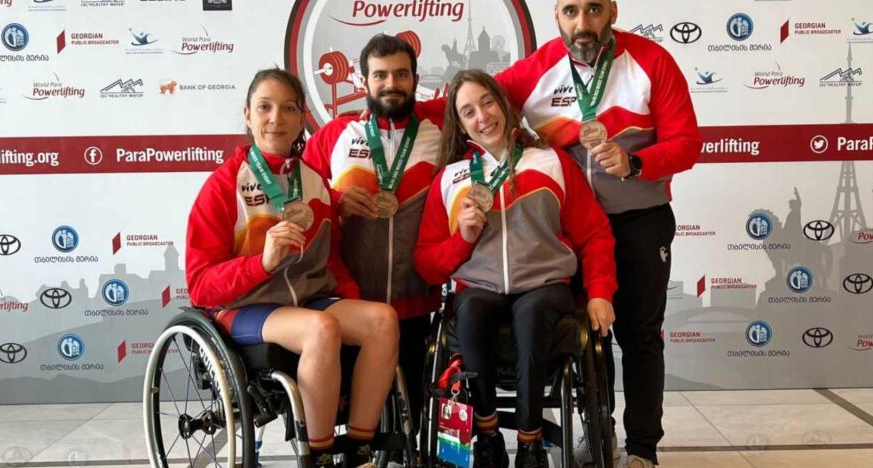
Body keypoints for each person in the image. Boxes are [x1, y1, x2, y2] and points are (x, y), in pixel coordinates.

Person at [495, 0, 701, 466]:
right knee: (589, 338)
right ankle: (598, 428)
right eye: (571, 11)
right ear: (557, 19)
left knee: (640, 335)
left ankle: (643, 449)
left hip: (640, 219)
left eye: (593, 9)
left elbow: (688, 142)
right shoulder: (540, 67)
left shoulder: (651, 60)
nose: (582, 22)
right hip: (573, 233)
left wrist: (636, 163)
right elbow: (475, 104)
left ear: (613, 12)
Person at [185, 68, 400, 468]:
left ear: (302, 118)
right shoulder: (223, 185)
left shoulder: (315, 182)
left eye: (288, 109)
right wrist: (261, 263)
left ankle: (359, 451)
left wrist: (351, 303)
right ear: (247, 115)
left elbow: (330, 262)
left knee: (382, 320)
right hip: (246, 307)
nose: (276, 119)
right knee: (322, 328)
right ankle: (317, 457)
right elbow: (199, 285)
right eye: (264, 108)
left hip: (308, 301)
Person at [414, 70, 617, 468]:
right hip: (480, 287)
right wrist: (464, 238)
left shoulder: (551, 162)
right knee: (469, 310)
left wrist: (599, 292)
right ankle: (487, 435)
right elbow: (427, 263)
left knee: (532, 312)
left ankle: (530, 442)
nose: (482, 116)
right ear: (460, 124)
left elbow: (595, 233)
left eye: (487, 102)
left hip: (544, 285)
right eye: (468, 111)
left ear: (505, 105)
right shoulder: (451, 179)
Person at [303, 33, 444, 429]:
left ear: (416, 80)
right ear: (362, 82)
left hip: (415, 302)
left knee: (411, 424)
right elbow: (299, 203)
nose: (391, 84)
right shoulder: (334, 136)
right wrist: (335, 200)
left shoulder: (441, 134)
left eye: (401, 74)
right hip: (349, 303)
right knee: (346, 418)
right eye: (380, 75)